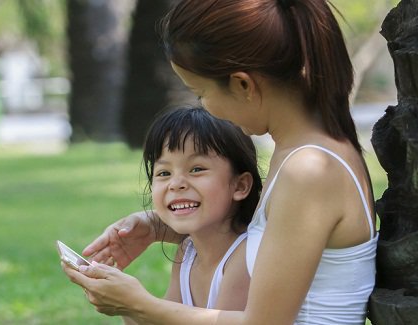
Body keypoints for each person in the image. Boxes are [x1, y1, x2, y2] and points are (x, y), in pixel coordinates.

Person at [63, 0, 378, 323]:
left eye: (200, 92)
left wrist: (139, 304)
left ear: (243, 85)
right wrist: (156, 225)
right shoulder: (305, 154)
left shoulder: (309, 170)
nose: (205, 106)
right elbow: (277, 241)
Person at [115, 107, 262, 324]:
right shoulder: (188, 251)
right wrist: (123, 302)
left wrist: (137, 303)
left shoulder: (243, 257)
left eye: (196, 169)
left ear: (240, 185)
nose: (176, 184)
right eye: (164, 173)